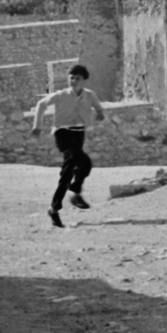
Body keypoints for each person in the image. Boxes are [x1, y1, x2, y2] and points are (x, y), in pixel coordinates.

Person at [31, 64, 105, 227]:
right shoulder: (61, 95)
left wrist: (100, 113)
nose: (73, 80)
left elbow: (99, 108)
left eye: (77, 78)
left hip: (79, 134)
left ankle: (54, 209)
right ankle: (75, 191)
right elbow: (41, 105)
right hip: (63, 134)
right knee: (84, 161)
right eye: (71, 77)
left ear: (84, 80)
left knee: (67, 174)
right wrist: (37, 126)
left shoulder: (89, 95)